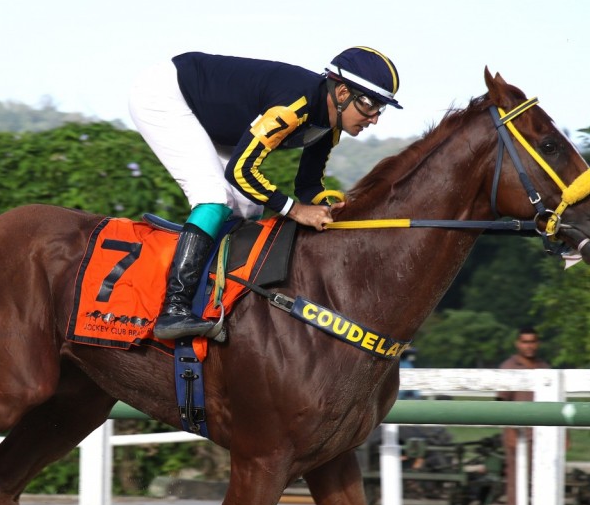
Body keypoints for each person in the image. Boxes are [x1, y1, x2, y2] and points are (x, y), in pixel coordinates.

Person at [128, 47, 403, 340]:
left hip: (217, 120)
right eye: (370, 104)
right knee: (214, 198)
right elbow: (240, 171)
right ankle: (174, 310)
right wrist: (296, 210)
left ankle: (215, 297)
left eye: (380, 108)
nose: (374, 118)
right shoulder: (293, 107)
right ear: (343, 92)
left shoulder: (329, 124)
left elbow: (308, 187)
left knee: (247, 208)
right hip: (167, 95)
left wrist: (331, 208)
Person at [497, 326, 551, 505]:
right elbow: (502, 402)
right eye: (525, 342)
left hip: (543, 433)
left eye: (533, 342)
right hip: (519, 434)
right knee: (517, 480)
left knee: (543, 479)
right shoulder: (509, 367)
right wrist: (509, 430)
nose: (529, 346)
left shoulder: (544, 367)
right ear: (517, 344)